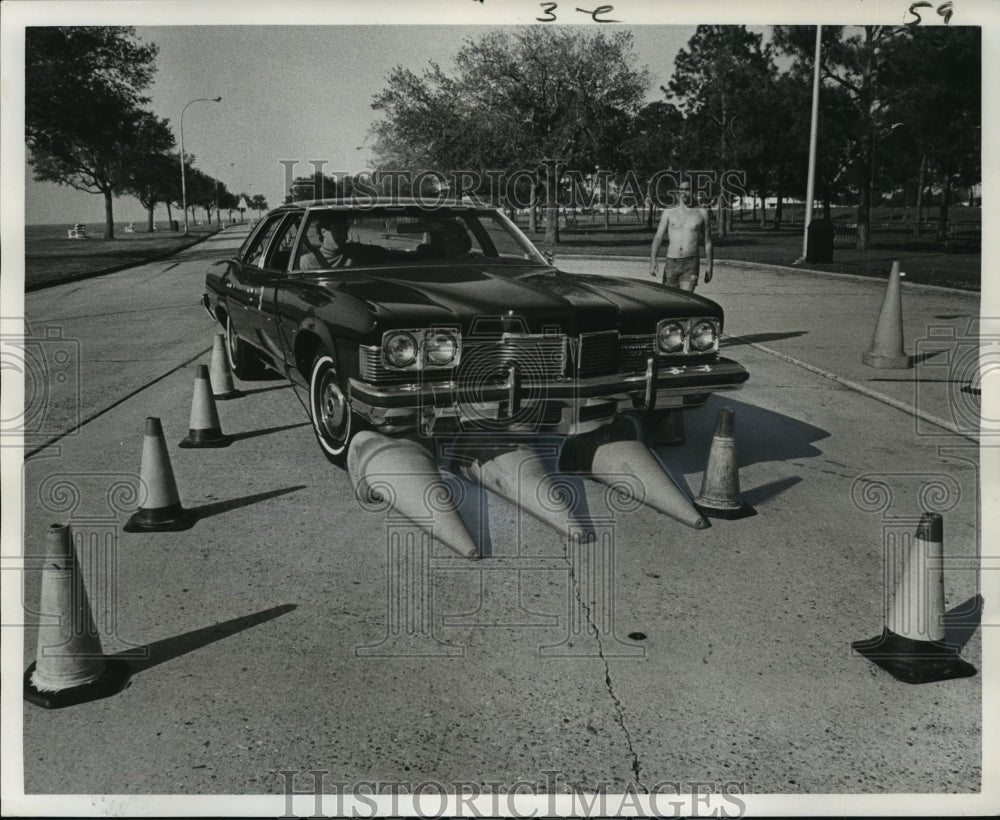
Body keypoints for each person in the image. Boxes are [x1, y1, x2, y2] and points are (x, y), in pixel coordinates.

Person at [649, 181, 713, 291]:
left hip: (691, 263)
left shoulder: (702, 213)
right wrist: (653, 260)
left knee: (686, 301)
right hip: (671, 262)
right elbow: (658, 237)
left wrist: (710, 267)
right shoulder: (669, 212)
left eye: (687, 189)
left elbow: (707, 242)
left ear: (693, 191)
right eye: (681, 189)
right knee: (671, 301)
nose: (684, 192)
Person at [299, 212, 384, 269]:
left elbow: (379, 252)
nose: (344, 236)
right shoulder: (308, 261)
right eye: (338, 231)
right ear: (323, 232)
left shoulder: (353, 251)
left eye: (346, 231)